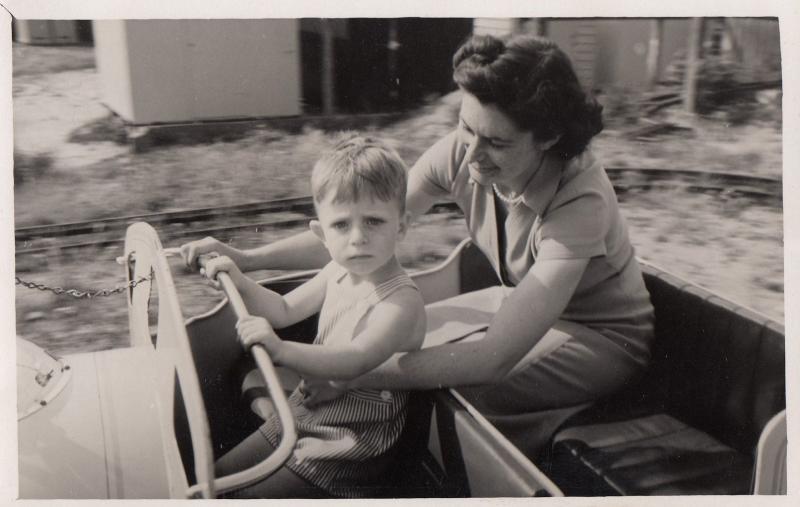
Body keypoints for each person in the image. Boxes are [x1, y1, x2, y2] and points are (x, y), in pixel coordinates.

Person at [183, 34, 654, 462]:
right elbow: (358, 227)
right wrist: (249, 258)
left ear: (548, 138)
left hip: (600, 338)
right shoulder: (466, 151)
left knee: (450, 393)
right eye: (465, 128)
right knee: (390, 356)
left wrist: (353, 374)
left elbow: (492, 360)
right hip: (514, 303)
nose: (469, 154)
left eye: (494, 141)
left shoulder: (581, 199)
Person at [198, 135, 426, 498]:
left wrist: (280, 349)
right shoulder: (336, 271)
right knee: (215, 478)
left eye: (373, 222)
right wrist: (241, 281)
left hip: (350, 442)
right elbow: (283, 310)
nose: (357, 239)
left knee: (238, 498)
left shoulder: (400, 301)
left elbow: (356, 359)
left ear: (401, 227)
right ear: (321, 233)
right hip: (309, 409)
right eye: (341, 225)